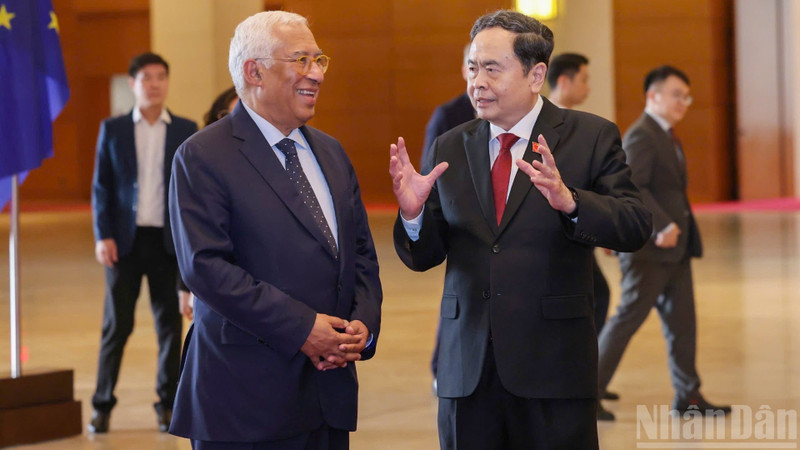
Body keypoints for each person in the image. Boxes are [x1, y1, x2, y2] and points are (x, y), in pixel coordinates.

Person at [390, 10, 651, 449]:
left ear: (536, 75)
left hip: (554, 370)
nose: (477, 81)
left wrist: (571, 202)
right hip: (466, 372)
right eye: (473, 68)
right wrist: (414, 216)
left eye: (492, 68)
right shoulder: (450, 144)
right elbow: (424, 257)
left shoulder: (590, 136)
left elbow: (634, 224)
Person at [168, 11, 382, 449]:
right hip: (244, 402)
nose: (317, 74)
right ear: (254, 71)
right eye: (301, 60)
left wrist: (363, 323)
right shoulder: (203, 155)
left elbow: (359, 253)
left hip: (328, 395)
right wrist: (304, 329)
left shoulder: (332, 151)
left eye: (320, 60)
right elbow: (206, 268)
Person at [596, 65, 731, 421]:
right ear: (652, 96)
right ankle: (586, 394)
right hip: (649, 250)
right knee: (627, 320)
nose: (684, 102)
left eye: (687, 96)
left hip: (676, 250)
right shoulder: (642, 135)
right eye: (676, 94)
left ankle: (689, 397)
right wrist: (661, 224)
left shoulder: (665, 134)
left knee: (683, 324)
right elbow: (633, 186)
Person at [89, 52, 198, 433]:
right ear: (133, 83)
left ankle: (167, 404)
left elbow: (190, 193)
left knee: (170, 326)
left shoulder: (186, 129)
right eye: (146, 77)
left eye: (160, 77)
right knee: (116, 326)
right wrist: (102, 234)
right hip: (124, 243)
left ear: (167, 83)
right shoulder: (113, 128)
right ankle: (102, 404)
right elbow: (102, 186)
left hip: (167, 244)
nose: (154, 84)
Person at [547, 53, 619, 408]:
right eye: (584, 79)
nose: (588, 88)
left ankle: (589, 379)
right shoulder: (548, 131)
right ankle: (587, 381)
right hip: (557, 241)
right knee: (596, 298)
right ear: (564, 81)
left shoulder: (586, 129)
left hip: (580, 231)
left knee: (598, 297)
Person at [423, 44, 476, 394]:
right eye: (473, 66)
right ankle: (442, 366)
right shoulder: (448, 114)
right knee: (459, 295)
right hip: (462, 223)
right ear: (463, 69)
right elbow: (431, 173)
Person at [421, 44, 476, 166]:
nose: (480, 79)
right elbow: (428, 170)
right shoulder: (446, 115)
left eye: (490, 69)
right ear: (464, 72)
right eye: (473, 69)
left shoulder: (508, 112)